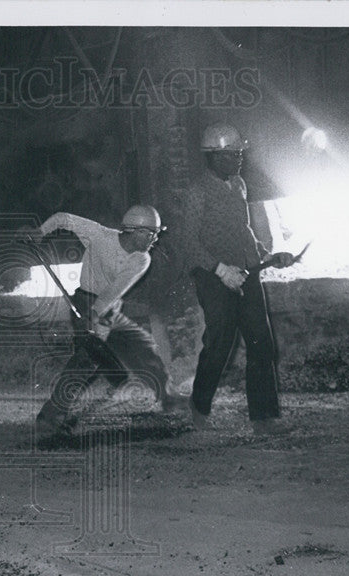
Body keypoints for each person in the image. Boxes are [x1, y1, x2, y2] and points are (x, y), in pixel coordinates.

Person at [28, 205, 184, 442]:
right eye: (152, 233)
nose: (155, 239)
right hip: (84, 301)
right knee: (86, 361)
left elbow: (114, 291)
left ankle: (169, 397)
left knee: (141, 345)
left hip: (107, 307)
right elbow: (64, 218)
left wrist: (98, 315)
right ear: (137, 231)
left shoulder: (142, 259)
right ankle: (50, 417)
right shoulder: (99, 236)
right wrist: (41, 232)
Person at [182, 123, 296, 435]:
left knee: (261, 344)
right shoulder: (198, 193)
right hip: (213, 278)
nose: (239, 159)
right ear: (216, 157)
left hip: (246, 275)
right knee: (219, 345)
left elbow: (243, 233)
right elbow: (188, 243)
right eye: (234, 154)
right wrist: (220, 270)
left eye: (239, 153)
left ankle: (263, 419)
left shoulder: (239, 185)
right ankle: (199, 408)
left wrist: (269, 256)